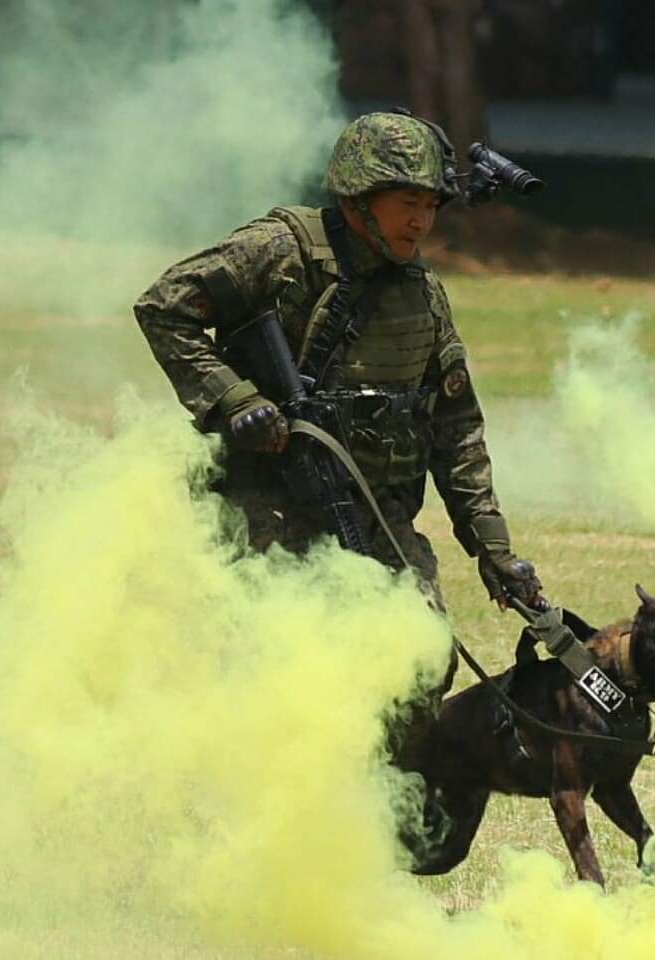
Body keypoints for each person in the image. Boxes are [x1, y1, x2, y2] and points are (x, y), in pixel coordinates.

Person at [133, 110, 543, 759]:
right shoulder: (280, 252)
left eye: (431, 205)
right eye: (407, 203)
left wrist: (494, 552)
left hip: (374, 518)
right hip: (264, 504)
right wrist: (237, 400)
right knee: (285, 664)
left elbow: (456, 432)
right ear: (357, 198)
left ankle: (365, 798)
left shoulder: (423, 297)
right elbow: (165, 308)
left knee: (423, 658)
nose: (422, 222)